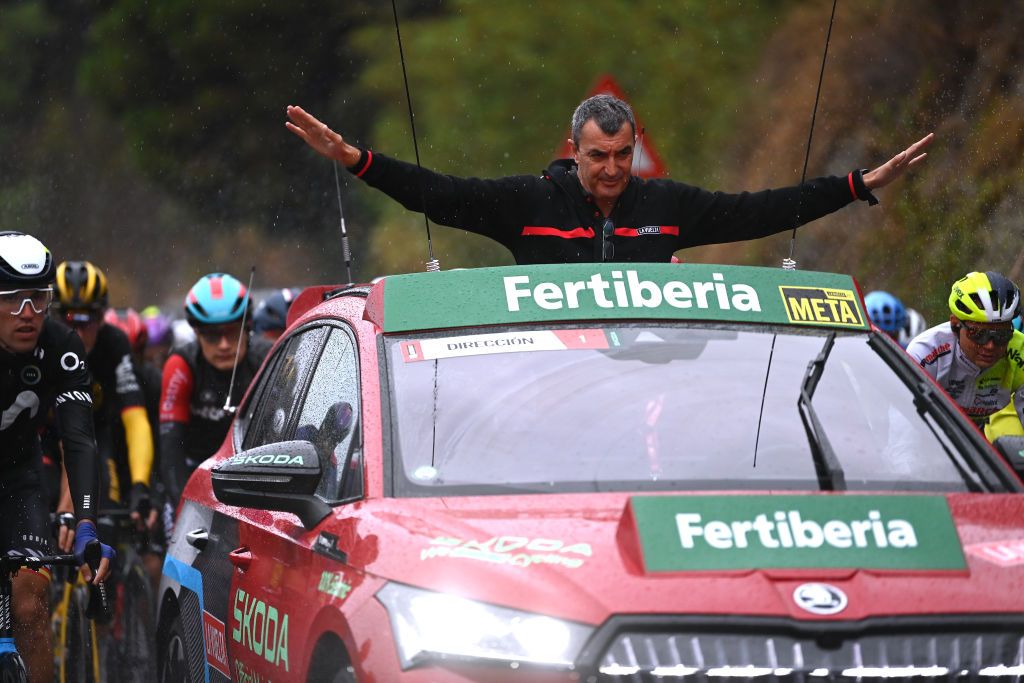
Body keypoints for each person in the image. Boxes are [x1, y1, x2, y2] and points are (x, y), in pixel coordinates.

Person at [286, 96, 932, 264]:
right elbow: (442, 195)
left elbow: (760, 211)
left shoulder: (667, 203)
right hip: (546, 374)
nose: (613, 169)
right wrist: (356, 159)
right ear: (575, 151)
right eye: (599, 156)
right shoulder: (529, 199)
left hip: (642, 380)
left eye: (623, 154)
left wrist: (856, 183)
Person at [0, 232, 113, 682]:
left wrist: (86, 525)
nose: (28, 314)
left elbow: (80, 440)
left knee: (30, 600)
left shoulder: (62, 344)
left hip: (19, 476)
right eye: (12, 300)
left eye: (38, 299)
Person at [53, 262, 157, 532]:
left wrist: (140, 486)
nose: (76, 332)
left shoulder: (115, 343)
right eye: (68, 320)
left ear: (101, 318)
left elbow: (135, 421)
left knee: (106, 518)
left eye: (85, 321)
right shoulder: (43, 341)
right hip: (49, 439)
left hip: (96, 437)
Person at [160, 273, 272, 508]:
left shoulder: (268, 359)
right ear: (197, 333)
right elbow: (171, 446)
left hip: (257, 476)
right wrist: (183, 507)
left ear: (247, 326)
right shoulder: (181, 365)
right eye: (212, 335)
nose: (223, 344)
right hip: (195, 473)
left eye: (232, 332)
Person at [906, 271, 1024, 427]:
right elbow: (906, 423)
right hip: (930, 431)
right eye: (978, 334)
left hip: (975, 436)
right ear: (955, 325)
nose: (990, 345)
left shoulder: (1019, 351)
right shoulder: (926, 351)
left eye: (1001, 335)